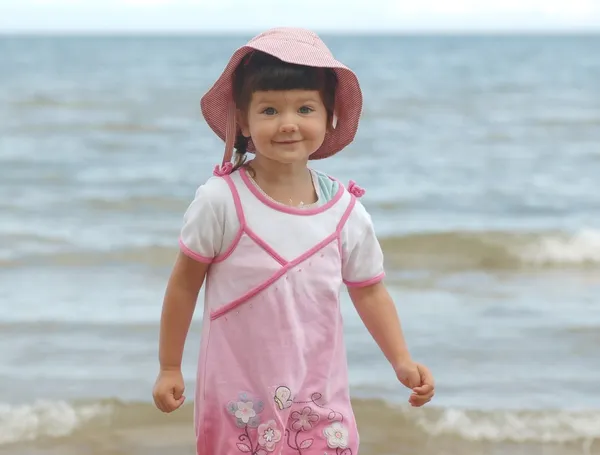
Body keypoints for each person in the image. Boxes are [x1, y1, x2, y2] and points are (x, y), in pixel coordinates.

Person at [153, 27, 435, 455]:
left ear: (328, 117)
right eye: (268, 111)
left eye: (305, 108)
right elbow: (184, 284)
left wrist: (401, 360)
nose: (287, 124)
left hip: (319, 395)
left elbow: (370, 292)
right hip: (240, 396)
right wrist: (169, 366)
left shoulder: (345, 212)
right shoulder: (221, 201)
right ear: (243, 121)